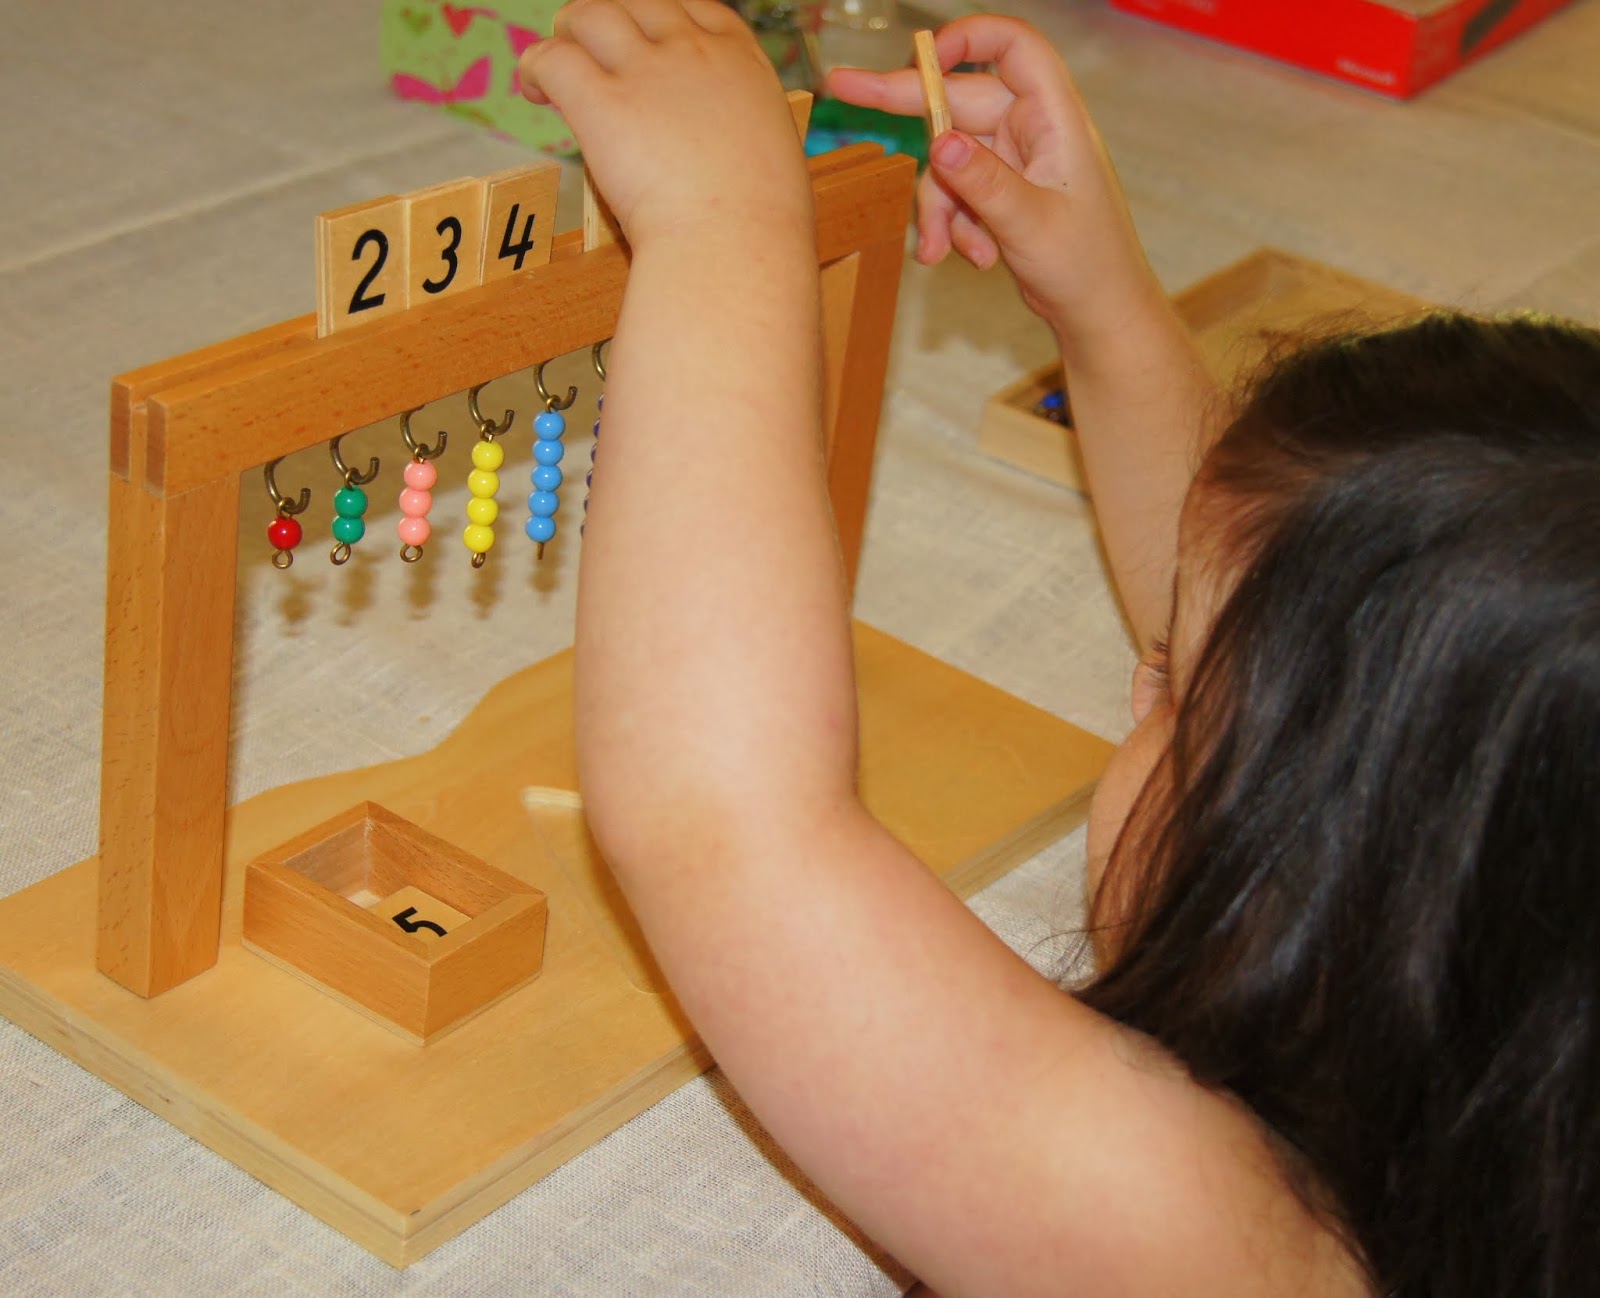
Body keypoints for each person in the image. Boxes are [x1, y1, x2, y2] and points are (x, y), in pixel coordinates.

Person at [519, 6, 1600, 1295]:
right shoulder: (1497, 1100)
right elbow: (1283, 633)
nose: (1138, 679)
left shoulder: (1216, 1238)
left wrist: (724, 224)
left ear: (1351, 907)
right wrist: (1106, 306)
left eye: (1175, 700)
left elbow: (724, 821)